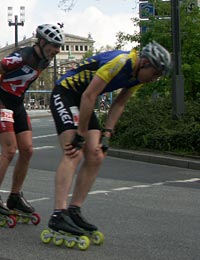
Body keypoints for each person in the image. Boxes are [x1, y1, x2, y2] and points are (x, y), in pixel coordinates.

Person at [42, 41, 171, 243]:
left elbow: (119, 103)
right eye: (155, 74)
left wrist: (107, 133)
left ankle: (74, 209)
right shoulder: (120, 62)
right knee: (73, 152)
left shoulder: (137, 77)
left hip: (83, 99)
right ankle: (59, 214)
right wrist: (81, 132)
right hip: (66, 93)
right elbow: (89, 94)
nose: (154, 79)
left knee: (96, 154)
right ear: (145, 62)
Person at [0, 24, 64, 224]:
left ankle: (15, 196)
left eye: (59, 47)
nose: (57, 51)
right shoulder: (22, 56)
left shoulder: (45, 61)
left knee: (27, 150)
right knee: (9, 151)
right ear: (42, 42)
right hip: (1, 101)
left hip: (17, 104)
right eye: (54, 46)